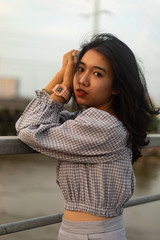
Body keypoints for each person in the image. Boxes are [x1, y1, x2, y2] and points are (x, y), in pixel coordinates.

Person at [16, 33, 159, 240]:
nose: (82, 80)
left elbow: (28, 128)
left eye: (97, 74)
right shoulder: (90, 120)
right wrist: (64, 75)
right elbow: (37, 122)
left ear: (117, 86)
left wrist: (62, 80)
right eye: (80, 69)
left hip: (90, 235)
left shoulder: (102, 126)